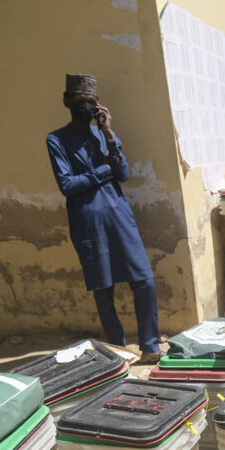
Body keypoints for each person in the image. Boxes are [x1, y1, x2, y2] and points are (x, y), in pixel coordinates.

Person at [46, 73, 161, 363]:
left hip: (120, 218)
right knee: (103, 289)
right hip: (87, 222)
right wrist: (103, 171)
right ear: (67, 102)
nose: (86, 107)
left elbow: (123, 173)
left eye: (92, 102)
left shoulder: (103, 136)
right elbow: (67, 185)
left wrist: (109, 134)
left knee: (144, 281)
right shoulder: (56, 140)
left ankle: (150, 346)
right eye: (81, 102)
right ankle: (118, 350)